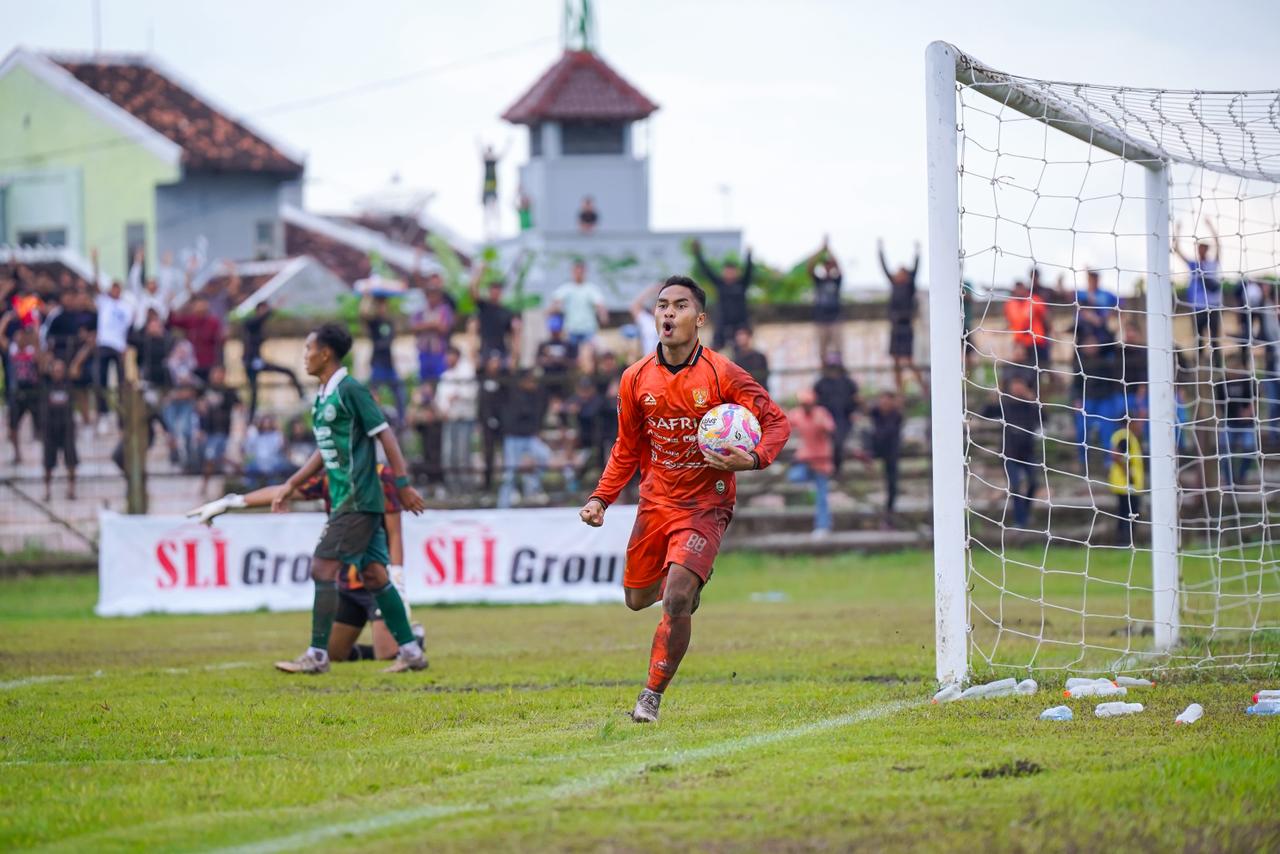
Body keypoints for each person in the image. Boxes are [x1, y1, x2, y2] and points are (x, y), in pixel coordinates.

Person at [578, 275, 790, 723]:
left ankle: (651, 695)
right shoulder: (635, 378)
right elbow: (626, 448)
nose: (669, 313)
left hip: (706, 504)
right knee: (637, 599)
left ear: (700, 318)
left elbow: (776, 423)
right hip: (656, 504)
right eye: (662, 306)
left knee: (675, 599)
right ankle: (686, 581)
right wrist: (601, 498)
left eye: (680, 306)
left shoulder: (723, 373)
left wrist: (751, 459)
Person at [271, 323, 428, 675]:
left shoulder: (350, 390)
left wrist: (402, 484)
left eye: (308, 348)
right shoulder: (324, 395)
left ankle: (317, 654)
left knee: (322, 568)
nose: (305, 356)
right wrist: (292, 482)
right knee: (374, 575)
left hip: (356, 499)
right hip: (352, 498)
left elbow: (385, 435)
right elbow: (324, 452)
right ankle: (412, 652)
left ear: (325, 353)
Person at [186, 464, 423, 663]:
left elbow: (395, 533)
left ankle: (412, 640)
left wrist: (398, 578)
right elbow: (284, 491)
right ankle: (398, 643)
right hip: (348, 582)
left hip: (376, 578)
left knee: (387, 653)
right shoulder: (332, 478)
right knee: (337, 653)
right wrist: (231, 502)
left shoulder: (379, 476)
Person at [90, 248, 135, 428]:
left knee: (122, 384)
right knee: (101, 381)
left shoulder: (126, 307)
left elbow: (130, 329)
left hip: (119, 347)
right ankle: (103, 414)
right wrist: (95, 262)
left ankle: (122, 417)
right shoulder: (104, 302)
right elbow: (95, 283)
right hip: (104, 345)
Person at [39, 348, 91, 501]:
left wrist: (85, 349)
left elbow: (76, 366)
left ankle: (71, 490)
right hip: (50, 428)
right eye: (55, 369)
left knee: (71, 461)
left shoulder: (69, 383)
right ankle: (47, 491)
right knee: (48, 462)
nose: (58, 371)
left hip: (67, 427)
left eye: (60, 369)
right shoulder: (46, 382)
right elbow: (41, 363)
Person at [243, 300, 305, 423]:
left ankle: (303, 396)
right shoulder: (251, 323)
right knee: (254, 391)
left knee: (289, 371)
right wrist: (272, 309)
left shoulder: (259, 327)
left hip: (257, 362)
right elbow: (259, 319)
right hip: (250, 363)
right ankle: (251, 417)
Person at [497, 369, 551, 508]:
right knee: (510, 473)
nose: (533, 383)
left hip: (529, 437)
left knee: (544, 456)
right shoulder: (511, 393)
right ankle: (503, 505)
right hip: (513, 438)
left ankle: (531, 488)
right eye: (529, 380)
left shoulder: (537, 394)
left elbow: (540, 412)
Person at [879, 238, 926, 395]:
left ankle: (923, 387)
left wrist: (917, 253)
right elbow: (885, 268)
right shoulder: (894, 285)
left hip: (906, 326)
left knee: (908, 359)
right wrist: (880, 251)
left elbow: (916, 270)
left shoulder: (909, 286)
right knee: (896, 361)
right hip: (895, 327)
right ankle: (900, 390)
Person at [787, 388, 835, 536]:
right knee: (794, 477)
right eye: (803, 403)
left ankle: (823, 526)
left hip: (821, 458)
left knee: (822, 497)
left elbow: (831, 431)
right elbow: (783, 424)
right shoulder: (797, 414)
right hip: (805, 457)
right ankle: (810, 487)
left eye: (808, 403)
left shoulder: (821, 413)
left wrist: (822, 425)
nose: (805, 406)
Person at [692, 240, 753, 350]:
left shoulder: (742, 284)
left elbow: (749, 271)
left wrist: (749, 255)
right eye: (727, 271)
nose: (729, 274)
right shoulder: (720, 284)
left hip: (739, 325)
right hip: (722, 325)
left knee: (740, 354)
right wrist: (698, 254)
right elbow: (707, 270)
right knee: (714, 352)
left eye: (732, 271)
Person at [1173, 219, 1222, 357]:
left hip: (1213, 306)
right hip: (1198, 307)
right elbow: (1177, 250)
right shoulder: (1193, 265)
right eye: (1200, 247)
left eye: (1204, 247)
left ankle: (1217, 365)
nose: (1202, 250)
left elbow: (1219, 244)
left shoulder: (1213, 264)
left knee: (1215, 338)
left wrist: (1211, 226)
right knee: (1199, 338)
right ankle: (1200, 363)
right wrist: (1178, 230)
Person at [1000, 374, 1042, 529]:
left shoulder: (1030, 405)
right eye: (1014, 383)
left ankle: (1025, 513)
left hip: (1028, 453)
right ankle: (1020, 521)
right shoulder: (1004, 403)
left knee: (1034, 483)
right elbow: (985, 411)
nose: (1017, 387)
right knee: (1016, 486)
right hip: (1009, 454)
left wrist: (1033, 402)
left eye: (1020, 383)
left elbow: (1044, 417)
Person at [551, 259, 608, 369]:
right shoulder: (567, 288)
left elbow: (600, 304)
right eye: (576, 271)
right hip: (571, 329)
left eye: (581, 271)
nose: (579, 274)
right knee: (571, 360)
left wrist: (603, 315)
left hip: (588, 329)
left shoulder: (590, 289)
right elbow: (555, 302)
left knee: (587, 357)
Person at [436, 345, 478, 489]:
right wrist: (443, 410)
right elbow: (440, 400)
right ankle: (451, 486)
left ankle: (466, 486)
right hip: (449, 420)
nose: (448, 359)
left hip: (464, 420)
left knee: (462, 455)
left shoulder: (467, 372)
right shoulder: (445, 376)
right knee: (448, 455)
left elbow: (471, 393)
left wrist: (457, 395)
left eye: (451, 355)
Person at [360, 295, 406, 425]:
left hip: (389, 364)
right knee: (373, 393)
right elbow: (363, 314)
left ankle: (401, 421)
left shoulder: (389, 323)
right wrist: (367, 297)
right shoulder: (374, 323)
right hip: (377, 363)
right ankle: (371, 419)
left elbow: (390, 339)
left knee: (400, 392)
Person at [196, 365, 240, 497]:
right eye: (215, 373)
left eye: (220, 373)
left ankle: (206, 487)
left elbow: (240, 407)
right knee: (214, 458)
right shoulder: (204, 390)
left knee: (213, 457)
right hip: (208, 431)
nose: (218, 376)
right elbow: (199, 409)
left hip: (223, 431)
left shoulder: (229, 391)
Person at [814, 353, 860, 475]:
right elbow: (815, 401)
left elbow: (856, 399)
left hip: (843, 418)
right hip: (825, 418)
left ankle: (836, 470)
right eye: (831, 367)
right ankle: (824, 470)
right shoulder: (821, 383)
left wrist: (855, 412)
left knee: (838, 443)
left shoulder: (848, 383)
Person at [2, 320, 40, 463]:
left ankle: (39, 445)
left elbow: (37, 343)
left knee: (39, 419)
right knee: (13, 425)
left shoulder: (32, 351)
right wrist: (7, 318)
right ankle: (17, 454)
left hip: (32, 390)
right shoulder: (12, 350)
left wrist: (33, 324)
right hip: (16, 391)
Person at [469, 263, 521, 366]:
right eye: (493, 289)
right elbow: (472, 290)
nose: (495, 292)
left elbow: (514, 335)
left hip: (502, 351)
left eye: (498, 289)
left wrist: (514, 357)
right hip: (484, 351)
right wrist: (479, 272)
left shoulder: (507, 312)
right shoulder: (483, 307)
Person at [867, 391, 904, 529]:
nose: (884, 404)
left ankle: (889, 516)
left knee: (892, 485)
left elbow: (889, 433)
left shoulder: (896, 416)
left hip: (890, 452)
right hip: (875, 449)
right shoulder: (874, 413)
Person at [1108, 421, 1145, 546]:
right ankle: (1125, 542)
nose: (1140, 425)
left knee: (1124, 513)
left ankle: (1123, 542)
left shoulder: (1121, 435)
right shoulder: (1125, 436)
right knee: (1130, 514)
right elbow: (1116, 455)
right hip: (1127, 485)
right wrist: (1129, 475)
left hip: (1123, 484)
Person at [411, 284, 454, 384]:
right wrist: (433, 325)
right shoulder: (420, 310)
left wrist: (425, 326)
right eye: (430, 294)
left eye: (435, 294)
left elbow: (444, 328)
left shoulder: (445, 310)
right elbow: (414, 328)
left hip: (439, 353)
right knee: (424, 382)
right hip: (424, 352)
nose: (432, 297)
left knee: (440, 381)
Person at [476, 353, 508, 491]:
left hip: (503, 422)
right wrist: (484, 419)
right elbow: (481, 403)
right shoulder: (482, 378)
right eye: (492, 362)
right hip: (486, 423)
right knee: (488, 453)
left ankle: (506, 484)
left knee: (505, 453)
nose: (495, 365)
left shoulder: (504, 379)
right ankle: (487, 485)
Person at [808, 238, 843, 361]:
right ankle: (825, 375)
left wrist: (829, 249)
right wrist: (820, 250)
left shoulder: (836, 280)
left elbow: (839, 267)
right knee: (822, 352)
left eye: (829, 265)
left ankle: (838, 376)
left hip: (835, 319)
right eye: (825, 266)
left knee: (838, 351)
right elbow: (810, 267)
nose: (828, 268)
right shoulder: (819, 281)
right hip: (821, 320)